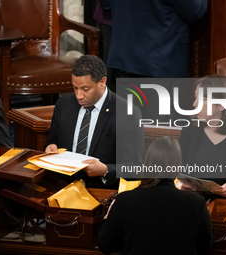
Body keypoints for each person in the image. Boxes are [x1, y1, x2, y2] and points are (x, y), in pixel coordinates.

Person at [97, 137, 212, 255]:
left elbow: (105, 245)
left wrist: (107, 216)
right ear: (178, 165)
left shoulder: (124, 200)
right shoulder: (196, 202)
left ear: (147, 163)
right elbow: (205, 246)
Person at [45, 54, 144, 189]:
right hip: (63, 187)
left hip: (102, 191)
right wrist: (51, 147)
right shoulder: (63, 106)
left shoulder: (127, 113)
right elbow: (53, 141)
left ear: (102, 82)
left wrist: (105, 170)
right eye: (75, 88)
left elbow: (134, 167)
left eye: (85, 89)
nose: (79, 96)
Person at [99, 0, 208, 92]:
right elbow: (195, 10)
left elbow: (106, 4)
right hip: (161, 63)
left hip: (123, 59)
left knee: (129, 117)